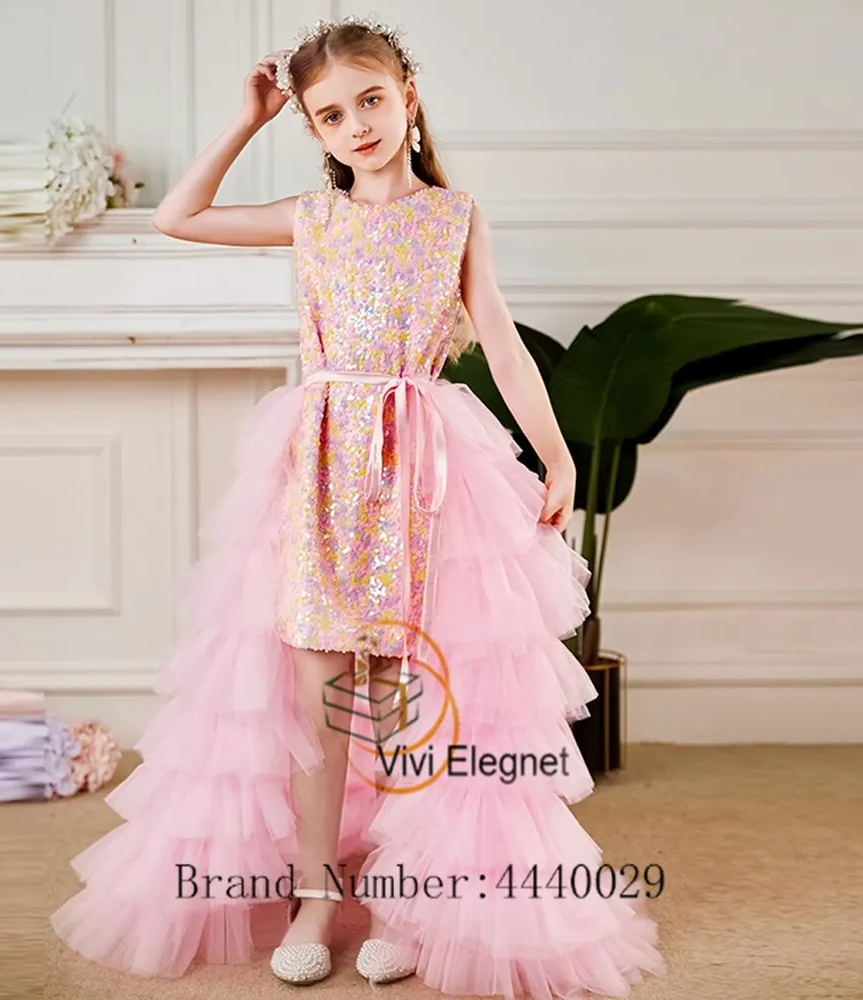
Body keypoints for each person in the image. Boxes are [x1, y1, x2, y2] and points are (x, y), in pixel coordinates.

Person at [50, 14, 666, 998]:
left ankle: (401, 902)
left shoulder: (454, 217)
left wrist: (556, 458)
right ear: (314, 129)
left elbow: (503, 341)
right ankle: (313, 897)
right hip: (326, 467)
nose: (358, 125)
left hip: (424, 469)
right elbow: (177, 216)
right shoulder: (311, 216)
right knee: (318, 696)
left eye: (370, 100)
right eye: (331, 115)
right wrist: (247, 120)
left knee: (405, 700)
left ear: (407, 96)